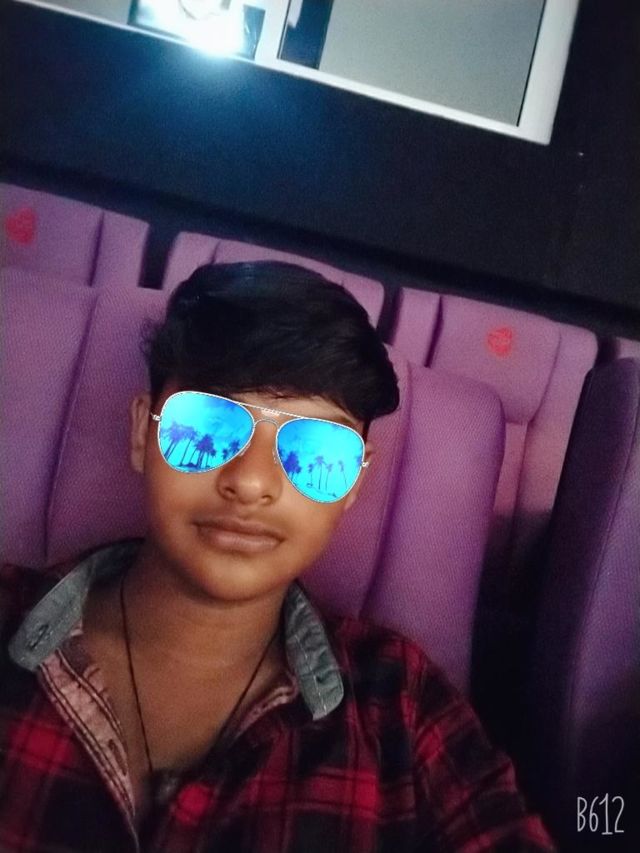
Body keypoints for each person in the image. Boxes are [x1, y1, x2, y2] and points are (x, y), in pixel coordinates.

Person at [0, 262, 556, 852]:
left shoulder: (403, 706)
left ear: (354, 481)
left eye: (316, 451)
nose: (251, 482)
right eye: (208, 427)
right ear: (143, 433)